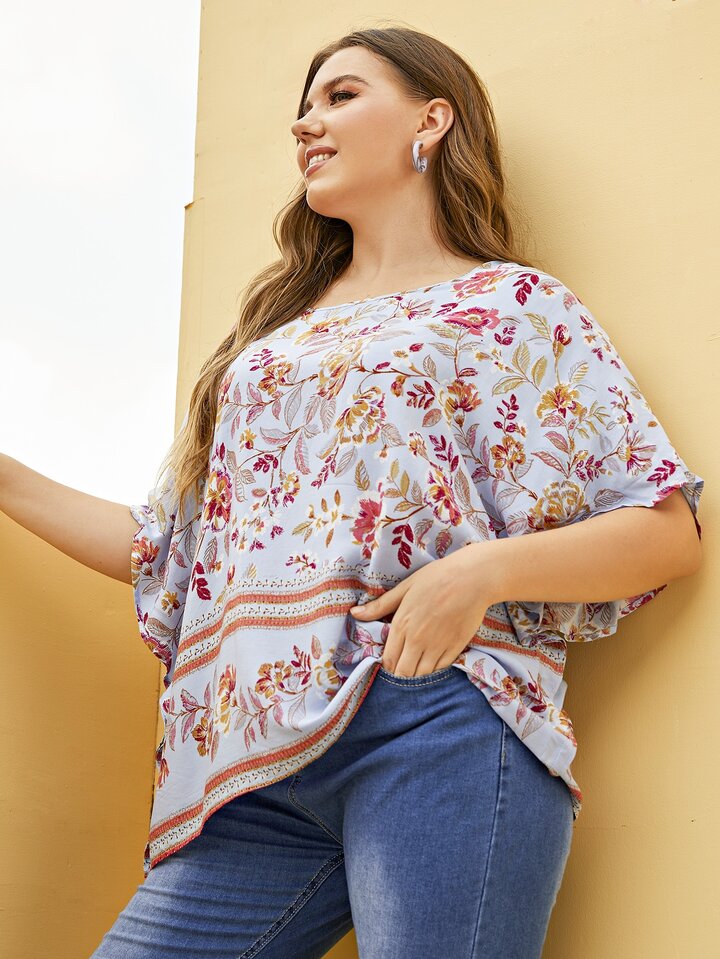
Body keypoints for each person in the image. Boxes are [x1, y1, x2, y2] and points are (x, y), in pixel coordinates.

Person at [2, 25, 704, 959]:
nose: (306, 123)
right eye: (304, 106)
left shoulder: (512, 308)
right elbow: (169, 551)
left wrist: (477, 574)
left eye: (340, 96)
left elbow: (664, 528)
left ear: (430, 119)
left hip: (435, 725)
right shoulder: (268, 343)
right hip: (253, 767)